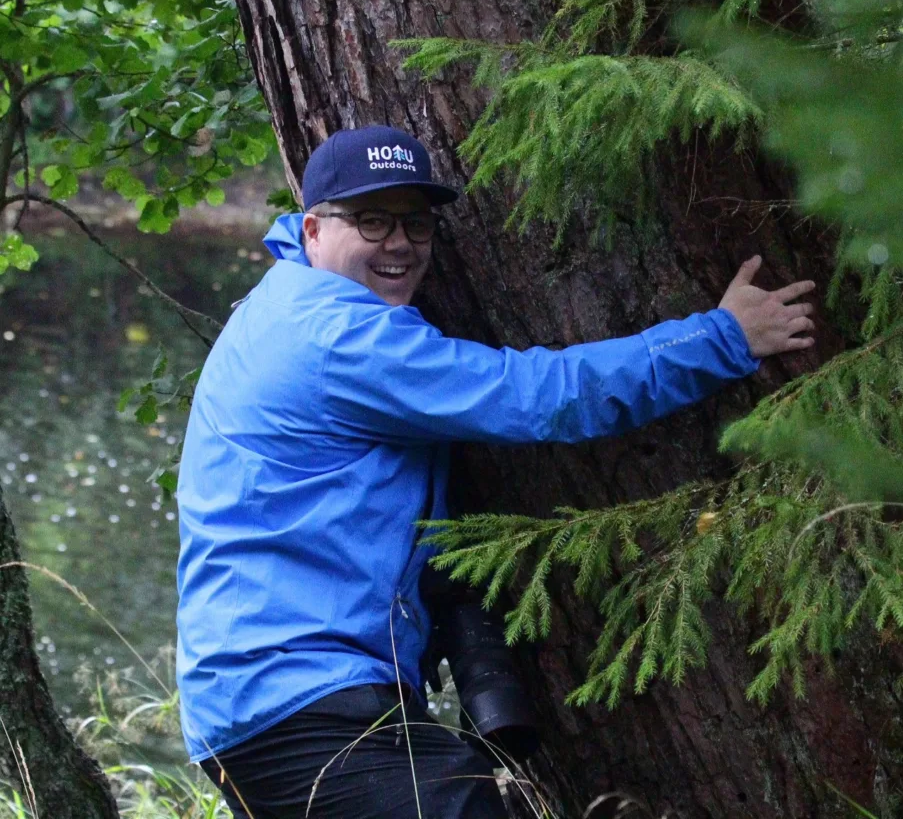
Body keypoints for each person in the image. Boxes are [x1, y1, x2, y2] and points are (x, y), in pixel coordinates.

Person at [176, 124, 815, 819]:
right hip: (297, 703)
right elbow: (539, 399)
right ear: (313, 229)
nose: (398, 243)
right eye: (371, 219)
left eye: (416, 223)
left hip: (265, 702)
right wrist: (719, 338)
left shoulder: (284, 302)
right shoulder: (340, 337)